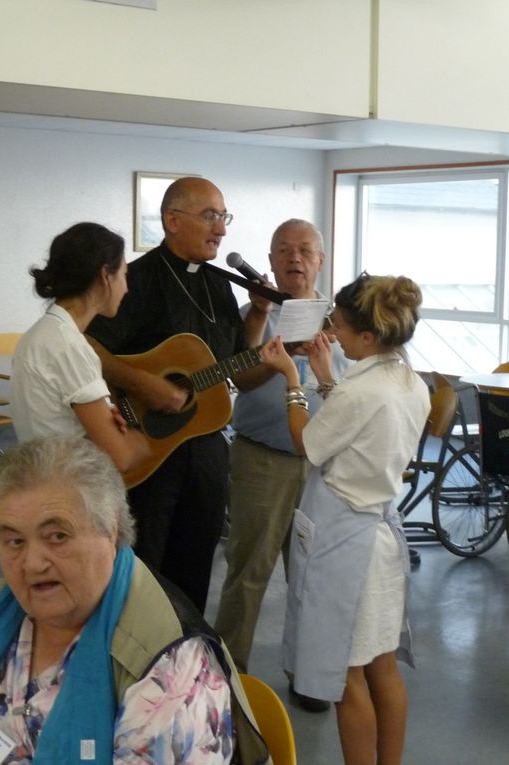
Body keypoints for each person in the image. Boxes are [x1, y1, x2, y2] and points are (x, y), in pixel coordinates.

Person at [0, 436, 268, 765]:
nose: (33, 563)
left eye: (58, 536)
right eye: (14, 541)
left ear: (110, 530)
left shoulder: (170, 668)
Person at [259, 273, 430, 765]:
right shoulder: (409, 383)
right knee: (382, 669)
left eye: (340, 325)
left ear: (369, 338)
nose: (331, 329)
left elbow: (309, 446)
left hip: (346, 546)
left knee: (347, 675)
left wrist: (294, 382)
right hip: (378, 536)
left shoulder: (362, 391)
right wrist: (326, 378)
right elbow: (361, 430)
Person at [86, 177, 271, 613]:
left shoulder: (220, 285)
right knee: (142, 564)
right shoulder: (137, 280)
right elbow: (86, 344)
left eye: (223, 217)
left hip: (206, 450)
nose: (221, 229)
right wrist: (142, 382)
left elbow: (241, 371)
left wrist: (260, 314)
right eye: (210, 216)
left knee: (195, 567)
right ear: (172, 220)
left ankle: (185, 660)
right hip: (149, 448)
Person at [214, 220, 348, 712]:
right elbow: (241, 382)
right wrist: (270, 345)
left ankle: (308, 675)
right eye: (284, 251)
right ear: (270, 262)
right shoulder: (257, 314)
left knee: (312, 577)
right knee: (248, 571)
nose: (295, 259)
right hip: (262, 458)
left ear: (320, 260)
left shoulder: (342, 319)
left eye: (305, 250)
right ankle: (229, 679)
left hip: (324, 468)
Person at [10, 222, 148, 474]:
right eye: (124, 275)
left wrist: (108, 427)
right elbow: (121, 457)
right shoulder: (69, 347)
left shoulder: (42, 334)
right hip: (67, 488)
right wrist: (138, 440)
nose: (126, 288)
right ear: (105, 275)